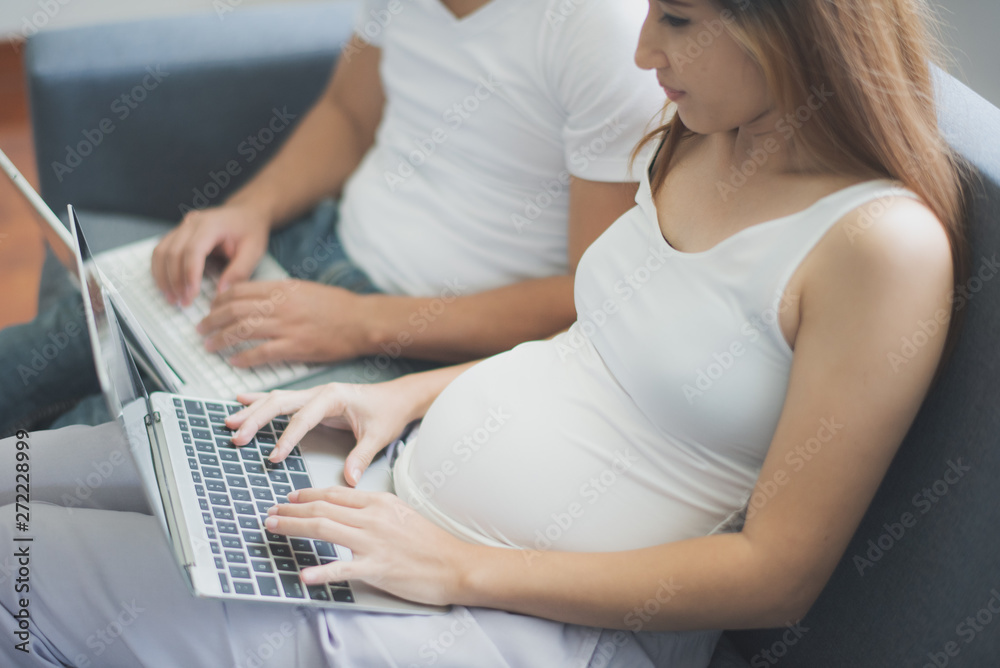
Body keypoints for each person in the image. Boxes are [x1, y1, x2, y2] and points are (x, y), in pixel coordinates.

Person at [0, 0, 967, 666]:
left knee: (14, 569)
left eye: (676, 17)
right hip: (390, 493)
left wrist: (454, 567)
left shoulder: (880, 249)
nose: (641, 51)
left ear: (796, 24)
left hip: (514, 620)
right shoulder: (703, 136)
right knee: (23, 485)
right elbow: (589, 350)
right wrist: (393, 394)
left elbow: (777, 578)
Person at [0, 0, 662, 443]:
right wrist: (249, 209)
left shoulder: (601, 30)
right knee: (27, 361)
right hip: (314, 248)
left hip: (419, 341)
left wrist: (356, 323)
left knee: (86, 450)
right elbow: (349, 114)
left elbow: (587, 297)